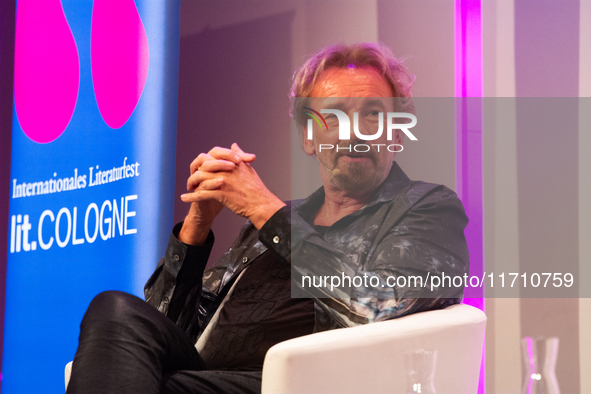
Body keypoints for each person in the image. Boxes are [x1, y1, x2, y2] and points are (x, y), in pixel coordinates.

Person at [67, 42, 469, 394]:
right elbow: (165, 333)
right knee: (115, 311)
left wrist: (263, 208)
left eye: (372, 116)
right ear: (308, 138)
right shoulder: (269, 228)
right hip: (209, 379)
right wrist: (196, 227)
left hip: (308, 386)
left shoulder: (428, 208)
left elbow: (379, 307)